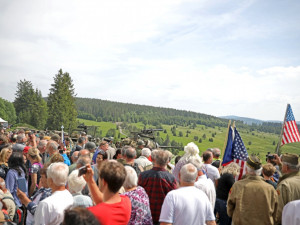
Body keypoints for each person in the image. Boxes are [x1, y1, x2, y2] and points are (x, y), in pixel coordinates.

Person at [227, 154, 278, 225]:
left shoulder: (238, 185)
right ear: (260, 171)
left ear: (246, 169)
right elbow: (275, 212)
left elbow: (230, 208)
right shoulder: (270, 189)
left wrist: (237, 217)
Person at [138, 150, 177, 225]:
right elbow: (174, 198)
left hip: (145, 214)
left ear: (154, 160)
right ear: (167, 162)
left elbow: (139, 194)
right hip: (163, 216)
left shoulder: (143, 175)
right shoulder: (171, 178)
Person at [86, 161, 131, 225]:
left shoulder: (91, 213)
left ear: (103, 182)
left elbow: (103, 205)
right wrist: (90, 180)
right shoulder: (126, 201)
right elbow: (103, 202)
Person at [274, 153, 300, 224]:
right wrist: (280, 164)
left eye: (282, 165)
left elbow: (278, 215)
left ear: (286, 167)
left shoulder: (284, 185)